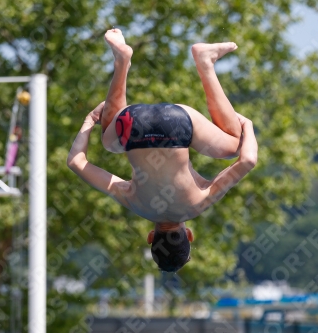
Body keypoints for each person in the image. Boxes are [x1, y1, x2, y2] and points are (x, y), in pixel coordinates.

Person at [67, 29, 258, 272]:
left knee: (235, 146)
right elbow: (76, 161)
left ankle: (205, 62)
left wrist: (248, 126)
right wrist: (88, 121)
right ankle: (121, 62)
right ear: (150, 237)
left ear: (188, 235)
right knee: (109, 143)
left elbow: (248, 160)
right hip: (133, 122)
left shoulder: (199, 203)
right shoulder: (134, 203)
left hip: (177, 124)